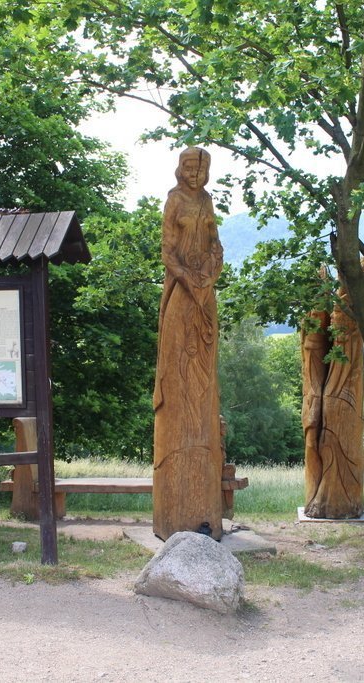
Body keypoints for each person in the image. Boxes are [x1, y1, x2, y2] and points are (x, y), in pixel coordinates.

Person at [152, 146, 224, 540]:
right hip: (181, 292)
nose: (195, 172)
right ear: (180, 168)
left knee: (205, 369)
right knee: (179, 361)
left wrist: (210, 273)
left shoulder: (208, 201)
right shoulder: (174, 201)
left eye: (201, 167)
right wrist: (188, 282)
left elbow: (216, 243)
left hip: (204, 289)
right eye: (190, 165)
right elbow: (167, 252)